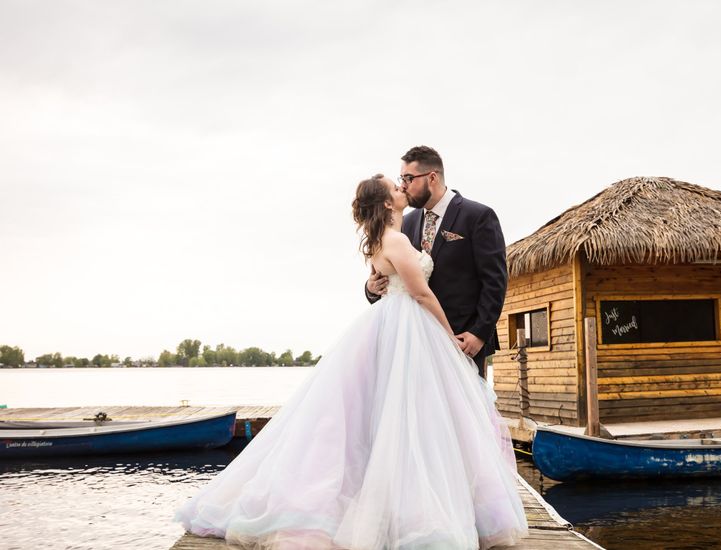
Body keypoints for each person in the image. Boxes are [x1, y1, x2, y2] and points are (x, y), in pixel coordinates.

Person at [174, 174, 528, 550]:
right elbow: (422, 294)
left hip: (393, 328)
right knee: (409, 416)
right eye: (396, 185)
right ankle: (410, 510)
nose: (402, 187)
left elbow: (388, 279)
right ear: (388, 204)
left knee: (394, 417)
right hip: (410, 328)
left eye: (404, 179)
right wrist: (449, 340)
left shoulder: (382, 240)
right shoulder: (396, 237)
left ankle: (396, 501)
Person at [366, 146, 507, 379]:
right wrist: (371, 289)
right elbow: (393, 275)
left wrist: (480, 333)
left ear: (432, 177)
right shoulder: (405, 223)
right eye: (401, 179)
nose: (403, 185)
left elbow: (495, 281)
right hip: (414, 341)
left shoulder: (477, 216)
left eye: (409, 178)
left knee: (466, 413)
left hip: (463, 341)